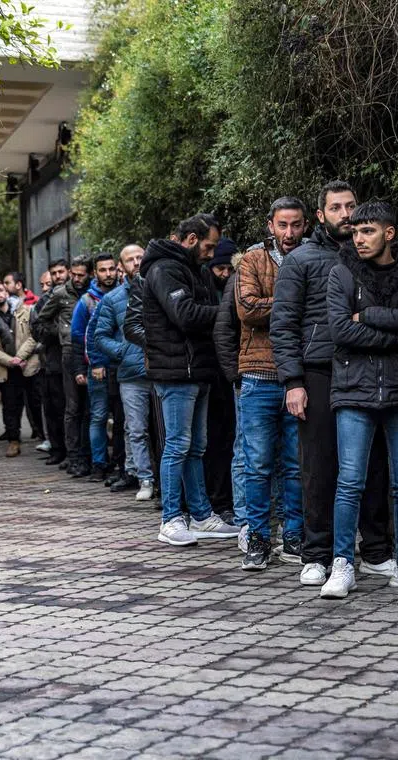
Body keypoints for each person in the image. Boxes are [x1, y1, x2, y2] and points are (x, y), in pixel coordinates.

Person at [271, 181, 394, 586]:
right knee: (318, 466)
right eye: (336, 208)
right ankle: (317, 554)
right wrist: (293, 381)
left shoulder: (371, 257)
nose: (346, 214)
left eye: (351, 206)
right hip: (319, 371)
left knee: (373, 464)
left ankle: (376, 551)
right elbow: (284, 323)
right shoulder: (302, 259)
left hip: (363, 368)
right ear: (320, 216)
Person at [320, 201, 398, 598]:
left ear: (389, 233)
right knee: (349, 482)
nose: (358, 238)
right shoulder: (341, 271)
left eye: (368, 231)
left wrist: (371, 317)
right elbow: (341, 331)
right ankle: (342, 564)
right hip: (354, 391)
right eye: (356, 232)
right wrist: (395, 336)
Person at [215, 196, 307, 569]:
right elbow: (247, 310)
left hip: (297, 377)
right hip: (257, 375)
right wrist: (295, 304)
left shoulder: (311, 257)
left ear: (306, 225)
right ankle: (256, 538)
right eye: (282, 225)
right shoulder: (252, 260)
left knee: (295, 464)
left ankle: (294, 537)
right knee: (257, 464)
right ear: (270, 225)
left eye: (296, 225)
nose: (289, 232)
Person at [141, 213, 239, 545]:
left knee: (196, 446)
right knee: (178, 446)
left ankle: (200, 516)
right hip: (175, 372)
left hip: (196, 370)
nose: (213, 254)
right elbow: (185, 314)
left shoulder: (190, 269)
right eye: (210, 246)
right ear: (193, 239)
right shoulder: (165, 269)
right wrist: (230, 312)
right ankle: (170, 519)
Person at [91, 244, 154, 500]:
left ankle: (161, 479)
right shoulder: (113, 299)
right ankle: (145, 478)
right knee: (136, 429)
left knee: (162, 431)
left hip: (161, 370)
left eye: (140, 257)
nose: (137, 262)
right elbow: (100, 336)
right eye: (130, 260)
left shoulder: (158, 287)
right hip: (130, 374)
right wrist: (123, 352)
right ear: (122, 266)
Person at [37, 257, 93, 476]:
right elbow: (42, 319)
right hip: (69, 353)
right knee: (72, 408)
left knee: (93, 409)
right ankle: (74, 457)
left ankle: (91, 455)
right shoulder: (61, 294)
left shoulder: (93, 292)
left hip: (92, 352)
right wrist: (63, 332)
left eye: (82, 275)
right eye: (75, 274)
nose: (78, 279)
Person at [71, 253, 120, 482]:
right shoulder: (87, 301)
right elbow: (79, 335)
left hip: (123, 366)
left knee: (122, 418)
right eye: (103, 270)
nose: (108, 274)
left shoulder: (127, 293)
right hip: (98, 368)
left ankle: (121, 464)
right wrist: (86, 366)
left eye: (111, 269)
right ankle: (99, 463)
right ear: (95, 273)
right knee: (98, 416)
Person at [0, 281, 42, 457]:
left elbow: (33, 335)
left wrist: (20, 357)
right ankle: (14, 441)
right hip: (6, 369)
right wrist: (11, 361)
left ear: (7, 293)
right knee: (10, 406)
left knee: (36, 402)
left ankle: (44, 437)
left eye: (1, 290)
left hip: (28, 364)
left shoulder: (26, 310)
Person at [203, 238, 237, 519]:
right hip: (210, 375)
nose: (225, 274)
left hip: (231, 376)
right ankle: (217, 498)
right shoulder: (204, 289)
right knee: (213, 442)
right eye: (220, 269)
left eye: (229, 268)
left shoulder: (237, 286)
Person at [31, 260, 69, 465]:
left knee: (70, 410)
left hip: (73, 361)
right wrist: (60, 333)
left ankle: (73, 452)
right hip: (51, 361)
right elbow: (37, 329)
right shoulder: (44, 301)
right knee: (53, 409)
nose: (58, 276)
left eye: (61, 272)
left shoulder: (76, 296)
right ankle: (57, 449)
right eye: (54, 273)